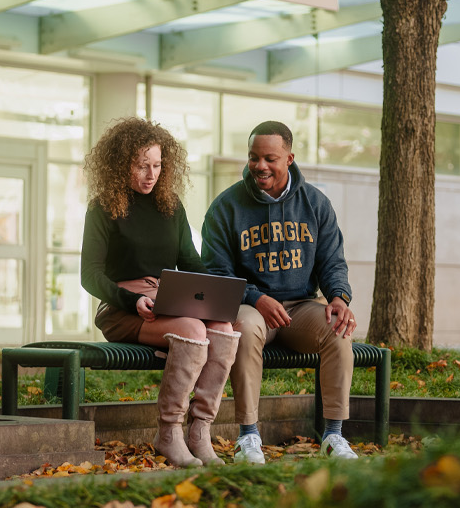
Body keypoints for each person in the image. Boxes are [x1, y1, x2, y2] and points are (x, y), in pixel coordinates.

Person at [81, 118, 240, 468]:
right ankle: (169, 432)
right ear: (122, 164)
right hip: (123, 307)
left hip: (168, 301)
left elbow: (191, 263)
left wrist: (219, 293)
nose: (150, 174)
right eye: (142, 166)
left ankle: (200, 430)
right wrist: (132, 300)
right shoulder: (103, 207)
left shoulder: (171, 206)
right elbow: (89, 276)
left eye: (157, 166)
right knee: (194, 331)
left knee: (224, 328)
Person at [201, 121, 359, 463]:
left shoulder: (315, 204)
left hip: (302, 306)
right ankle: (248, 437)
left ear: (289, 158)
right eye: (254, 157)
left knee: (338, 330)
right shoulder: (226, 207)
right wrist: (255, 297)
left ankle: (333, 435)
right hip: (251, 305)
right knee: (241, 330)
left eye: (269, 158)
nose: (260, 166)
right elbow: (216, 272)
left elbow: (332, 261)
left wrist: (338, 297)